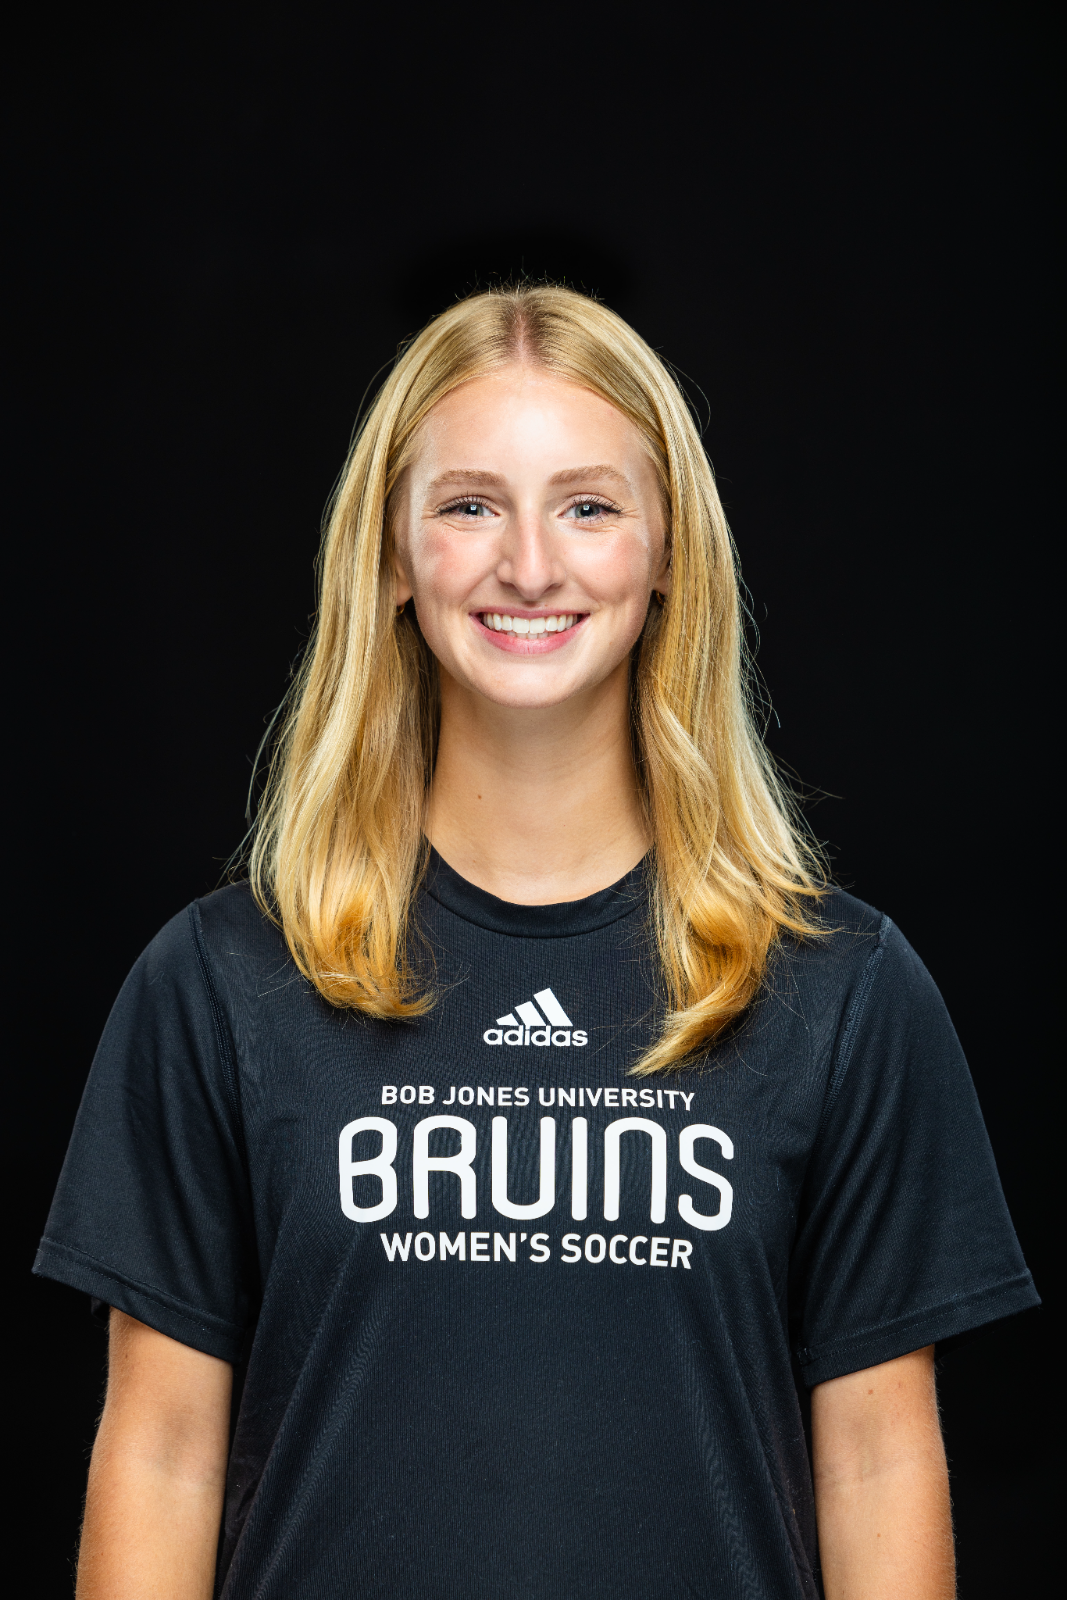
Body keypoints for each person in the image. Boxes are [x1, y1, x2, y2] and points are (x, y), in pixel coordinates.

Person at [36, 285, 1037, 1599]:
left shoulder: (839, 992)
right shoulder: (219, 985)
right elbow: (163, 1453)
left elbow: (873, 1463)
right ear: (389, 556)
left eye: (586, 505)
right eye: (467, 506)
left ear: (668, 550)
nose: (527, 565)